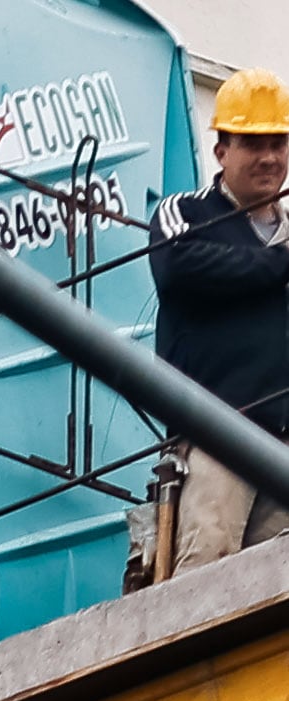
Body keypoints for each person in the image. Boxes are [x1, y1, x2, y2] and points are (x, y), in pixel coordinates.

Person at [152, 68, 289, 575]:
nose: (269, 157)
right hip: (214, 437)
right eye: (253, 143)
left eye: (278, 143)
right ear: (221, 151)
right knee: (204, 579)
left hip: (283, 442)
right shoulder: (185, 213)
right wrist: (281, 264)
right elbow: (178, 266)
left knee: (275, 590)